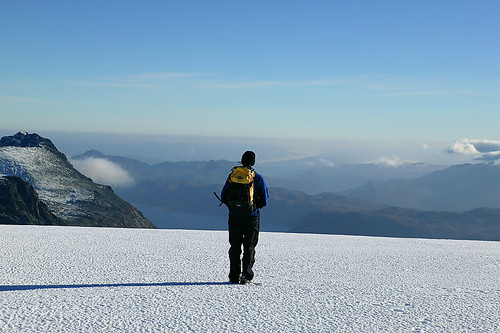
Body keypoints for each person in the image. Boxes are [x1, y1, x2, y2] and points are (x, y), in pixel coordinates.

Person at [220, 151, 269, 284]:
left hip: (234, 217)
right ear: (253, 162)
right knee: (249, 246)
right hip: (251, 218)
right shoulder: (257, 178)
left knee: (234, 246)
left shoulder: (233, 176)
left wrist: (234, 206)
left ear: (241, 160)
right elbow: (264, 201)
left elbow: (223, 196)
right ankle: (246, 275)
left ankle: (233, 276)